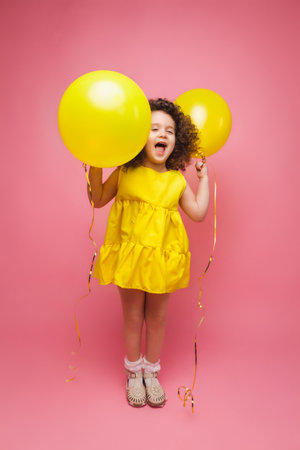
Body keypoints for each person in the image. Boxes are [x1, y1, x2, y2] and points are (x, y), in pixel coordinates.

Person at [88, 98, 209, 408]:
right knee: (132, 316)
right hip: (130, 256)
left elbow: (197, 213)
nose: (163, 134)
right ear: (138, 136)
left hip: (162, 258)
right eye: (154, 128)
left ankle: (151, 372)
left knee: (157, 317)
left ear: (177, 140)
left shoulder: (175, 180)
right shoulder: (126, 172)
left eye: (169, 130)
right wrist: (97, 161)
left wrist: (203, 178)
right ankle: (133, 373)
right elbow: (99, 198)